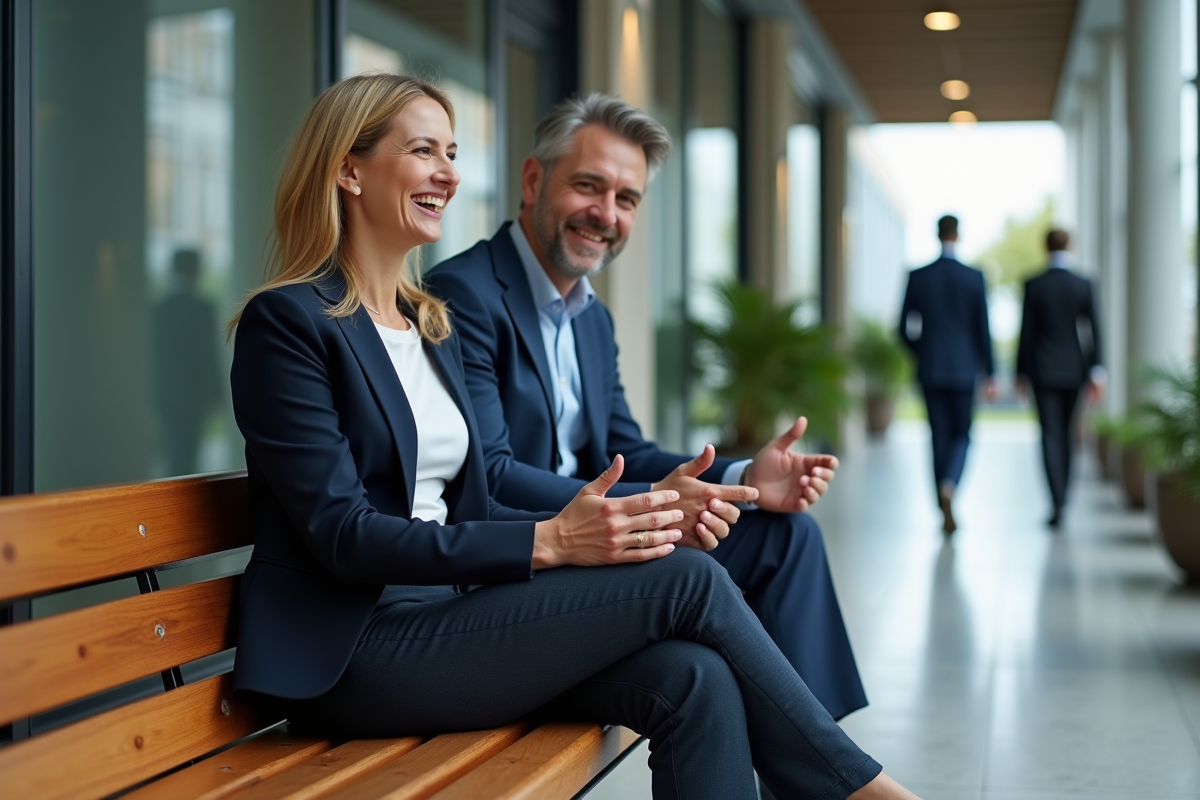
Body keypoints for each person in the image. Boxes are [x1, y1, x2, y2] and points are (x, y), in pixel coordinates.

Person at [227, 73, 921, 800]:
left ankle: (830, 777)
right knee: (685, 578)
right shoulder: (290, 323)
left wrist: (686, 493)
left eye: (453, 153)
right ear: (348, 169)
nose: (448, 173)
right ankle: (856, 789)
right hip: (357, 648)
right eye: (423, 150)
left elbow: (470, 497)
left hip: (457, 611)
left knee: (696, 676)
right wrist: (552, 541)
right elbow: (344, 534)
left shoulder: (425, 323)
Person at [425, 93, 867, 721]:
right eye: (588, 186)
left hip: (598, 545)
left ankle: (813, 772)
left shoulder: (591, 318)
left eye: (626, 199)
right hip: (524, 559)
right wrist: (650, 506)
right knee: (702, 627)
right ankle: (829, 779)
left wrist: (742, 479)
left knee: (785, 533)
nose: (606, 214)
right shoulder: (464, 294)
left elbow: (626, 452)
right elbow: (490, 476)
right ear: (532, 180)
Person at [898, 215, 997, 534]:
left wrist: (922, 351)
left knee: (938, 435)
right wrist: (990, 371)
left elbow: (902, 328)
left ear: (937, 234)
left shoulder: (918, 276)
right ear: (960, 235)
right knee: (962, 434)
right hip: (965, 369)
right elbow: (983, 328)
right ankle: (949, 485)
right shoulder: (974, 277)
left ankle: (941, 497)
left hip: (930, 368)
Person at [1016, 229, 1104, 528]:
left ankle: (1056, 501)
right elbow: (1095, 330)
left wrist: (1020, 372)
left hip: (1042, 370)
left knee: (1050, 434)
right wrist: (1097, 370)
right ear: (1071, 246)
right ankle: (1064, 497)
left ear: (1045, 246)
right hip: (1074, 369)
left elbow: (1026, 333)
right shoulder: (1083, 283)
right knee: (1068, 434)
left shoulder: (1034, 284)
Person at [152, 247, 220, 476]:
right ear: (196, 270)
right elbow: (207, 355)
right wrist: (216, 393)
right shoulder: (202, 308)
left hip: (166, 394)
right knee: (189, 455)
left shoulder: (158, 308)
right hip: (194, 395)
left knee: (172, 452)